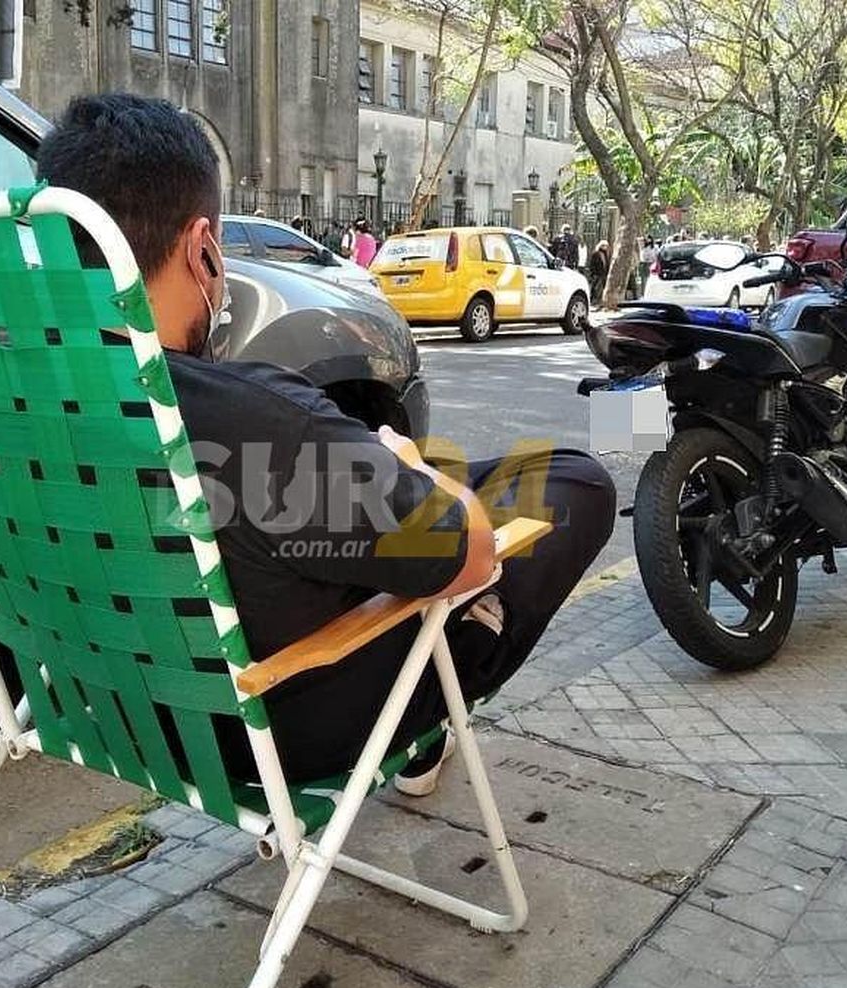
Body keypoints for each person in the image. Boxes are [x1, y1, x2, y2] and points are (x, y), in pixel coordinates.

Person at [36, 93, 615, 791]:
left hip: (112, 715)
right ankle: (428, 712)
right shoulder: (256, 416)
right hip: (282, 733)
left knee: (340, 504)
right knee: (575, 485)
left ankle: (391, 504)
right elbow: (471, 554)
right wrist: (411, 472)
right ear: (201, 249)